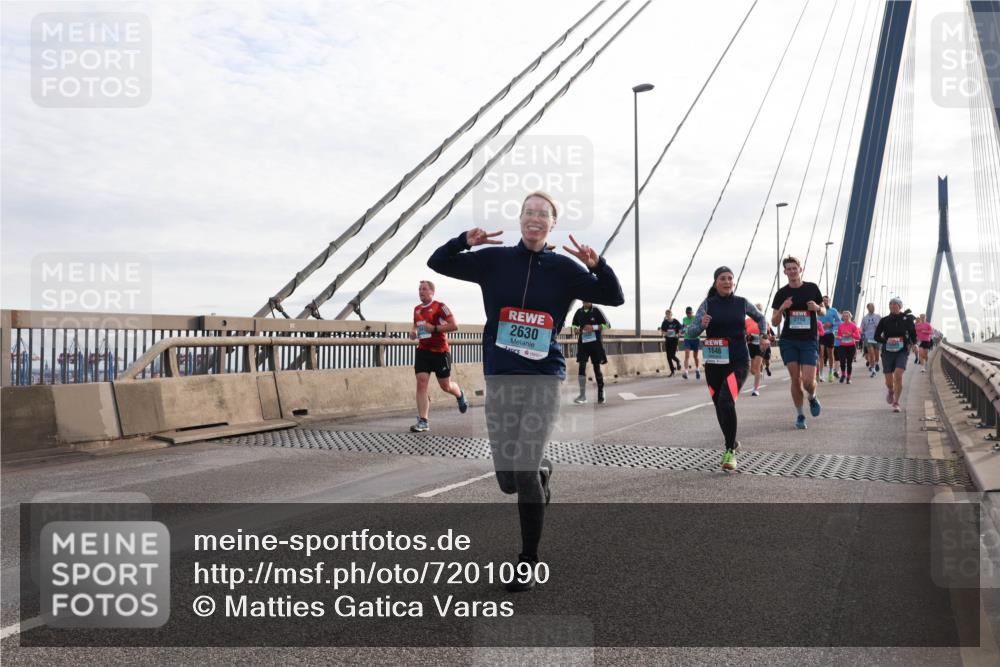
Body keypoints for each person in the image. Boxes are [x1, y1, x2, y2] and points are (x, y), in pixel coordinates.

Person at [428, 191, 624, 591]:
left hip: (543, 379)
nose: (535, 219)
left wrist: (597, 265)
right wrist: (464, 241)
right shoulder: (494, 260)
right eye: (529, 213)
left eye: (543, 215)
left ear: (553, 224)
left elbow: (614, 296)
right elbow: (438, 263)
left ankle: (528, 560)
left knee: (524, 464)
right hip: (501, 376)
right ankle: (541, 472)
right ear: (520, 220)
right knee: (508, 480)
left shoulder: (565, 269)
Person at [687, 267, 769, 471]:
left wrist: (764, 335)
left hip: (739, 360)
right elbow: (691, 332)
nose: (727, 282)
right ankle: (732, 442)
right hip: (714, 363)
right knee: (720, 405)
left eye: (730, 278)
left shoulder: (742, 303)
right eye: (723, 278)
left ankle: (729, 452)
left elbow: (760, 318)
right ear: (716, 282)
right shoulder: (707, 304)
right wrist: (701, 325)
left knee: (726, 400)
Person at [771, 256, 825, 430]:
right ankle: (800, 415)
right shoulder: (781, 293)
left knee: (808, 381)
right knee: (795, 379)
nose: (792, 271)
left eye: (795, 268)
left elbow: (824, 311)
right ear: (785, 272)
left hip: (809, 340)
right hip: (789, 340)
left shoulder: (812, 288)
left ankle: (812, 397)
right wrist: (782, 308)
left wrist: (817, 308)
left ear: (800, 269)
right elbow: (774, 322)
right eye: (789, 268)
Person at [409, 280, 468, 432]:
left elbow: (454, 325)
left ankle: (460, 394)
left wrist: (434, 328)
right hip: (423, 350)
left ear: (432, 292)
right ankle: (423, 421)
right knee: (421, 382)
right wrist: (414, 331)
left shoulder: (440, 307)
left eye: (424, 289)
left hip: (440, 352)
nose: (421, 291)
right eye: (419, 289)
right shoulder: (416, 309)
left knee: (445, 386)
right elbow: (416, 324)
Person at [874, 296, 917, 412]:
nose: (893, 306)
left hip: (902, 351)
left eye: (895, 304)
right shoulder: (884, 320)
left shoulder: (907, 319)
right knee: (889, 381)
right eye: (891, 304)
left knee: (898, 375)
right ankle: (890, 391)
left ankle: (896, 402)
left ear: (900, 306)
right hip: (887, 352)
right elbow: (876, 336)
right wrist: (886, 340)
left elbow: (913, 333)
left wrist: (915, 344)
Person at [571, 302, 610, 404]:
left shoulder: (596, 310)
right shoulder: (579, 312)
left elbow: (607, 325)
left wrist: (593, 327)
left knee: (596, 368)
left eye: (587, 300)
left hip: (595, 344)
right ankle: (582, 395)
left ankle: (601, 392)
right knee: (581, 367)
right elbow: (574, 324)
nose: (585, 302)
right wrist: (575, 329)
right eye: (583, 300)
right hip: (583, 344)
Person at [818, 296, 841, 383]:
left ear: (829, 302)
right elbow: (814, 321)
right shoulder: (818, 311)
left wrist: (832, 324)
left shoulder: (833, 310)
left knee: (830, 354)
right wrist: (820, 326)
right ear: (822, 302)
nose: (825, 302)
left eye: (827, 301)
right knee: (821, 355)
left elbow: (839, 321)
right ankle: (821, 374)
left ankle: (831, 373)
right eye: (824, 301)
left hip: (830, 334)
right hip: (821, 335)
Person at [835, 311, 861, 383]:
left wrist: (851, 334)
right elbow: (839, 335)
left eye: (847, 316)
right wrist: (838, 337)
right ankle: (843, 374)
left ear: (850, 317)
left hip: (851, 346)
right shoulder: (840, 325)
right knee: (842, 361)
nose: (845, 318)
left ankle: (848, 378)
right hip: (842, 346)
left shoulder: (853, 326)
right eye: (844, 316)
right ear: (842, 317)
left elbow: (858, 337)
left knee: (849, 363)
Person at [658, 309, 683, 376]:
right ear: (665, 315)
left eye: (669, 314)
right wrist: (667, 333)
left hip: (674, 340)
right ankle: (672, 371)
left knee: (672, 355)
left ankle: (678, 361)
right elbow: (662, 331)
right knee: (668, 357)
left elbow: (681, 329)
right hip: (668, 340)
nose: (668, 315)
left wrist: (678, 334)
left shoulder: (675, 321)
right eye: (667, 314)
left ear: (671, 314)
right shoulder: (664, 322)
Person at [745, 308, 764, 396]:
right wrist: (747, 337)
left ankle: (755, 389)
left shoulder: (762, 320)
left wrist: (766, 337)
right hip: (750, 345)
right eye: (757, 309)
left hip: (760, 346)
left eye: (760, 309)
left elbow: (768, 333)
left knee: (756, 367)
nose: (758, 311)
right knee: (752, 370)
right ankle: (759, 374)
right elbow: (742, 332)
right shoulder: (747, 321)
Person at [860, 303, 882, 377]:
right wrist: (861, 333)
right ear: (868, 308)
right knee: (871, 354)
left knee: (876, 354)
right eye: (871, 307)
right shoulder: (864, 318)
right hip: (868, 338)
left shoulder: (878, 316)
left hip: (877, 337)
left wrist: (879, 328)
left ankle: (876, 363)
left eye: (873, 306)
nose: (873, 308)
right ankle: (873, 370)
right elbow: (861, 328)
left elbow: (883, 326)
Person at [681, 306, 701, 380]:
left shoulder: (695, 318)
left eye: (690, 313)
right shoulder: (684, 319)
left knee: (695, 356)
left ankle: (697, 370)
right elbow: (683, 328)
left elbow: (699, 326)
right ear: (686, 313)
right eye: (687, 313)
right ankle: (686, 372)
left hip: (695, 338)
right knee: (687, 355)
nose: (689, 314)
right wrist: (682, 330)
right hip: (687, 339)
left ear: (692, 313)